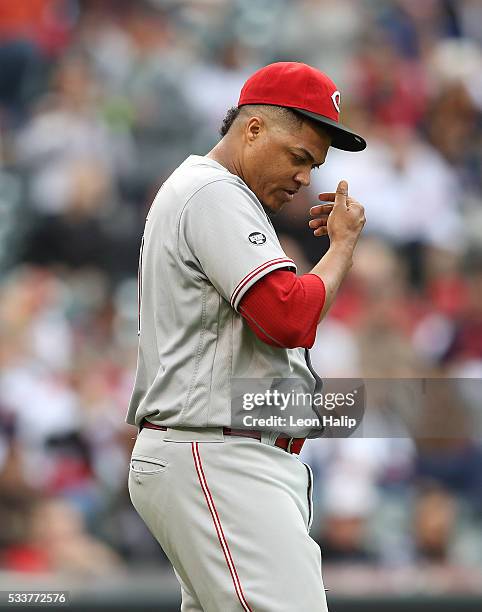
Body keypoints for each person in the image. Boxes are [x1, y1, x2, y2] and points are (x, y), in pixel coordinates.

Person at [126, 62, 366, 612]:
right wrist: (342, 249)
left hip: (216, 452)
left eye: (315, 165)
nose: (306, 177)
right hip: (218, 454)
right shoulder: (214, 191)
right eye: (298, 156)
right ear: (252, 128)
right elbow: (288, 317)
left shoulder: (206, 191)